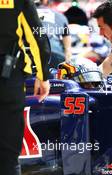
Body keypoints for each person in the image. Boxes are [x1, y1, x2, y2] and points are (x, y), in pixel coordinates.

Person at [0, 0, 51, 174]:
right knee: (8, 151)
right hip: (8, 76)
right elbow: (37, 35)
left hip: (9, 74)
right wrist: (43, 76)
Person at [36, 0, 71, 66]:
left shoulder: (27, 14)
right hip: (56, 55)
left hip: (33, 55)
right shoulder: (61, 16)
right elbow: (68, 48)